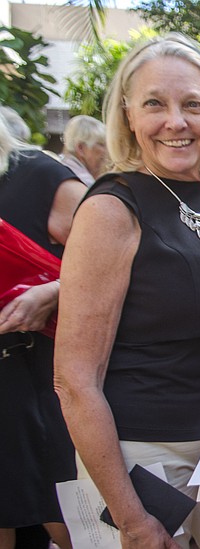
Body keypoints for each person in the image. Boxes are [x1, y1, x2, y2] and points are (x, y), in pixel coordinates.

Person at [53, 33, 200, 549]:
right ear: (128, 113)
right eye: (154, 104)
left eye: (192, 104)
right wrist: (130, 517)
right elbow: (74, 379)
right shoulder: (110, 209)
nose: (176, 122)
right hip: (141, 454)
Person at [0, 114, 86, 549]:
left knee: (65, 517)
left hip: (38, 376)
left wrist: (53, 291)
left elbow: (124, 256)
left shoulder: (35, 174)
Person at [60, 114, 108, 186]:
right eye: (101, 144)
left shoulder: (59, 169)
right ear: (81, 148)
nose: (107, 151)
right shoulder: (84, 182)